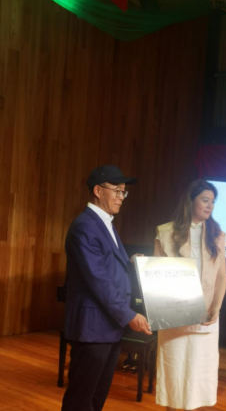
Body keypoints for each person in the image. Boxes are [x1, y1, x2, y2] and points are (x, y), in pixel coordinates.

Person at [61, 165, 152, 411]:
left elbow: (105, 266)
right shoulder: (85, 226)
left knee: (96, 397)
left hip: (108, 326)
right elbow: (98, 279)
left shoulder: (105, 223)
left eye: (124, 192)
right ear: (98, 190)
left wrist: (129, 262)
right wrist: (129, 315)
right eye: (117, 191)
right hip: (92, 329)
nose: (121, 197)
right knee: (80, 400)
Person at [154, 179, 226, 411]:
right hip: (173, 316)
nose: (210, 206)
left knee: (199, 378)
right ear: (190, 201)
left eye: (213, 201)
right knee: (174, 376)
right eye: (205, 200)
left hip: (206, 315)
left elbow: (222, 276)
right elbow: (156, 275)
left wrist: (216, 308)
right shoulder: (165, 232)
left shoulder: (218, 235)